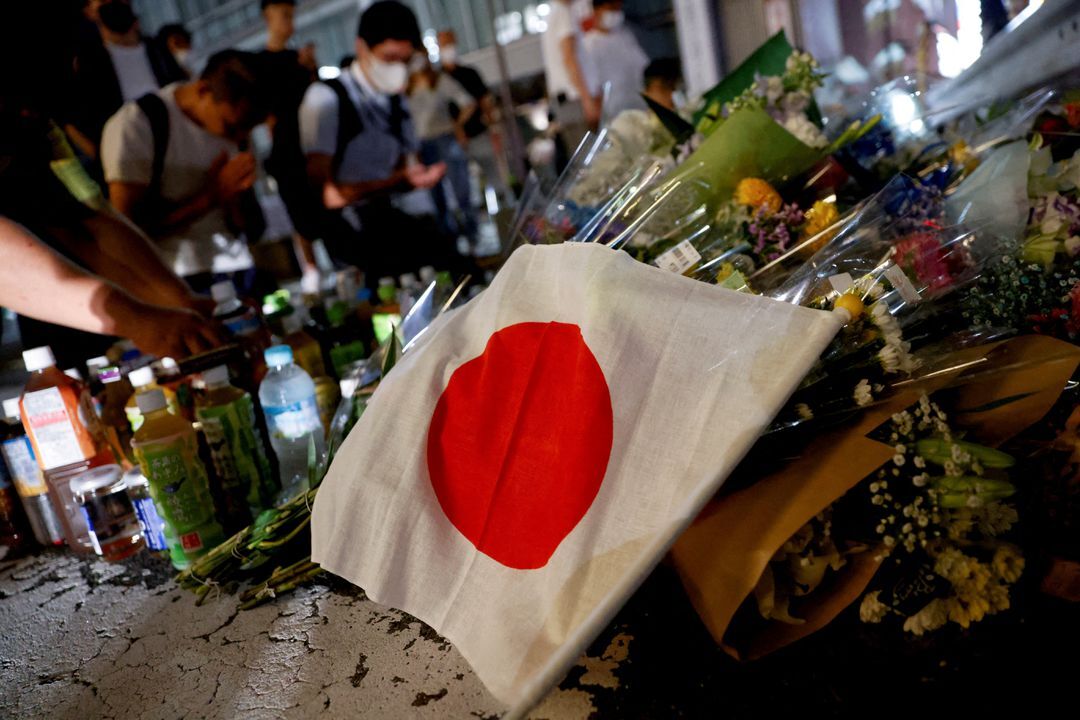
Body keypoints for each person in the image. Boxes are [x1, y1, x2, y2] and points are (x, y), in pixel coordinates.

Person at [0, 2, 221, 362]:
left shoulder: (35, 122)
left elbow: (92, 220)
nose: (72, 69)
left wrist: (182, 303)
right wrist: (139, 319)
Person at [297, 0, 457, 284]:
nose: (398, 69)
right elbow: (326, 196)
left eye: (404, 60)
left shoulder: (397, 103)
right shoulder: (326, 100)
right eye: (389, 58)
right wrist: (394, 181)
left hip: (396, 223)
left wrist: (414, 178)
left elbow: (406, 164)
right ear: (362, 48)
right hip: (357, 243)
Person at [101, 50, 273, 295]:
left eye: (247, 129)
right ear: (203, 90)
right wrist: (212, 195)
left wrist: (236, 198)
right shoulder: (140, 124)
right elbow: (126, 229)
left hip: (239, 268)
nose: (238, 138)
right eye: (232, 127)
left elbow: (249, 225)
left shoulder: (238, 129)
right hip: (174, 277)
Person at [66, 0, 187, 163]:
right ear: (89, 11)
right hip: (136, 162)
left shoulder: (158, 49)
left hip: (180, 149)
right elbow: (78, 124)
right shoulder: (90, 64)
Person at [407, 57, 478, 245]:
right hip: (422, 145)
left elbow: (468, 102)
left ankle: (472, 236)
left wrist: (457, 125)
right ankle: (448, 241)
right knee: (436, 198)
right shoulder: (406, 87)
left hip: (445, 138)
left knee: (461, 190)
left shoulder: (439, 81)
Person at [437, 29, 510, 208]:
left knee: (497, 179)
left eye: (451, 43)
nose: (449, 48)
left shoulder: (469, 73)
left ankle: (507, 211)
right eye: (445, 44)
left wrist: (494, 128)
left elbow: (485, 102)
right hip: (453, 142)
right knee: (464, 189)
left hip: (479, 134)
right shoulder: (437, 79)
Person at [541, 0, 596, 159]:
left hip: (566, 101)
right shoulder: (562, 12)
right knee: (588, 159)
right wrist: (587, 99)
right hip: (573, 99)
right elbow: (569, 58)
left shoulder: (555, 12)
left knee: (582, 156)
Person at [582, 0, 649, 121]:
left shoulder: (625, 35)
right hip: (614, 113)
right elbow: (593, 85)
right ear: (596, 11)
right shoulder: (589, 44)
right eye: (611, 8)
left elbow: (642, 65)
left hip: (640, 105)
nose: (616, 12)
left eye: (618, 8)